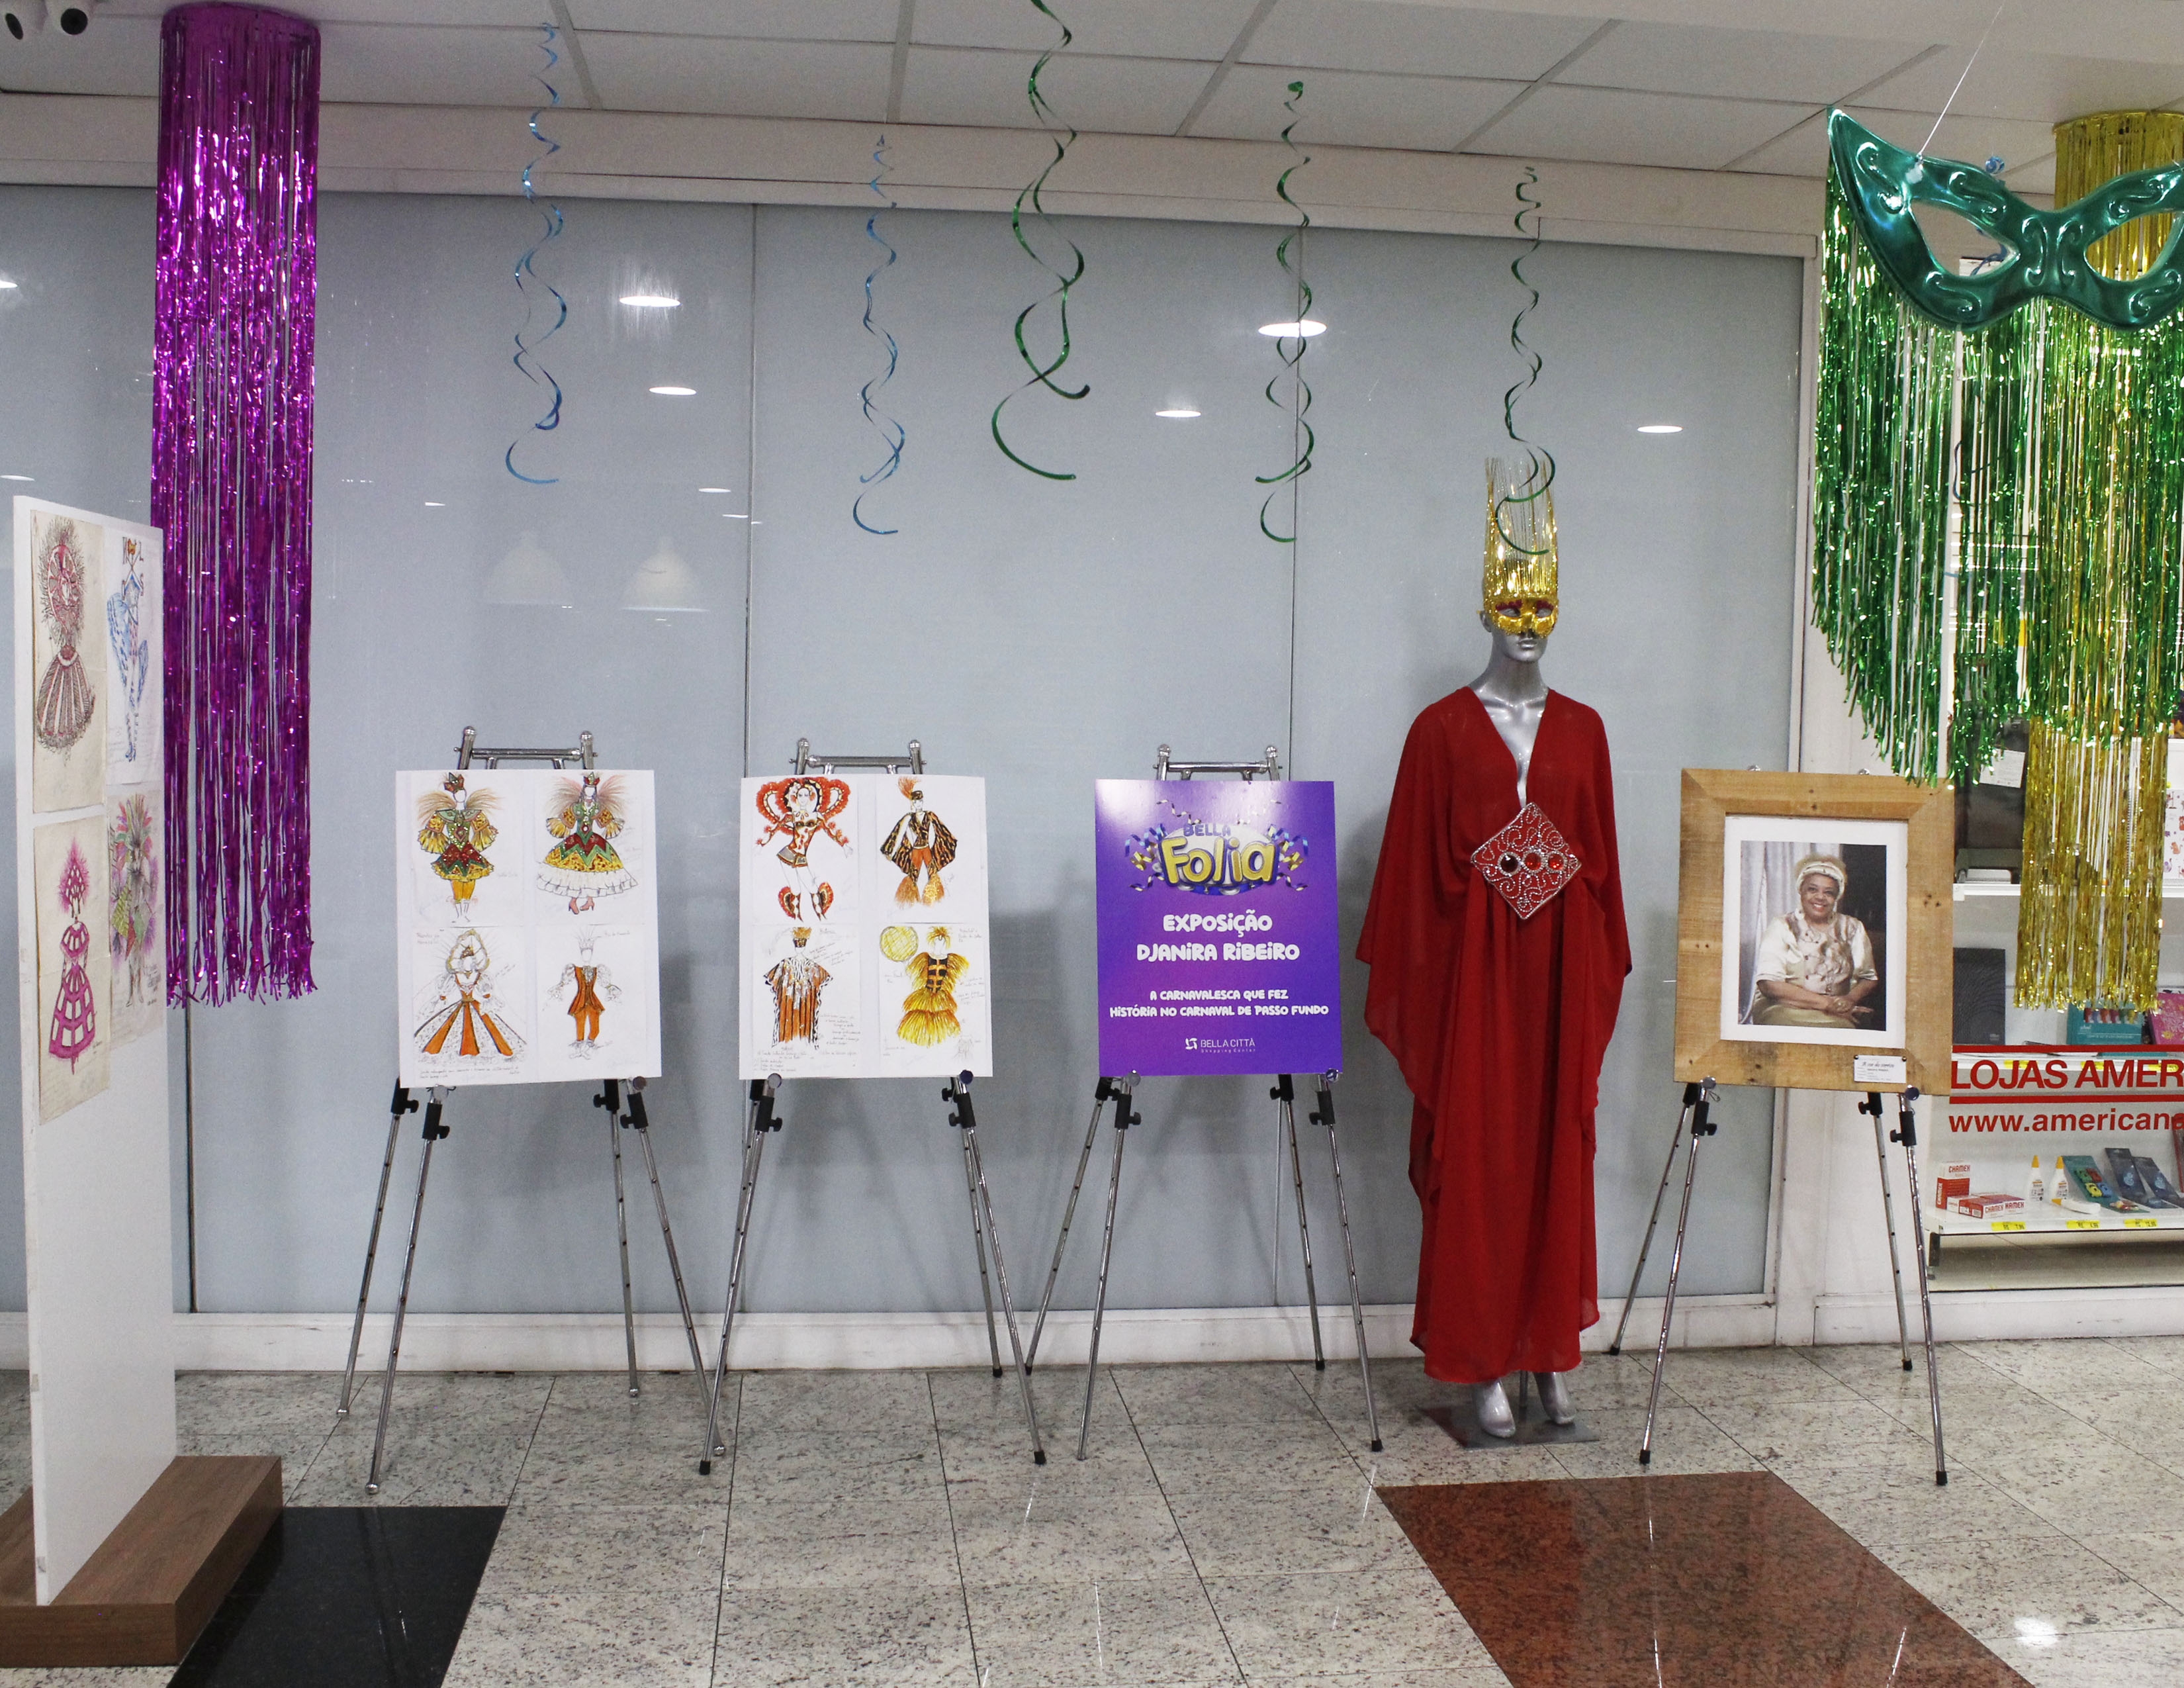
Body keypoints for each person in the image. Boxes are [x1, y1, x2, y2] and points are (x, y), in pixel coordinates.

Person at [1358, 459, 1629, 1439]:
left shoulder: (1587, 732)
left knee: (1557, 1155)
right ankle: (1480, 1360)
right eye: (1511, 603)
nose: (1528, 620)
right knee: (1478, 1165)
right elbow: (1410, 879)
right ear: (1484, 612)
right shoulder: (1437, 733)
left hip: (1557, 984)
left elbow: (1602, 871)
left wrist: (1556, 880)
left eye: (1542, 602)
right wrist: (1487, 873)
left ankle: (1550, 1348)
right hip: (1474, 991)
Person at [1748, 854, 1877, 1028]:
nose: (1820, 897)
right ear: (1801, 891)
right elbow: (1769, 985)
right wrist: (1828, 1004)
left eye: (1828, 892)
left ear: (1837, 896)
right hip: (1783, 1008)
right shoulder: (1782, 925)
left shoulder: (1853, 927)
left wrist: (1848, 1000)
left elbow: (1869, 978)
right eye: (1813, 889)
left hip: (1838, 1012)